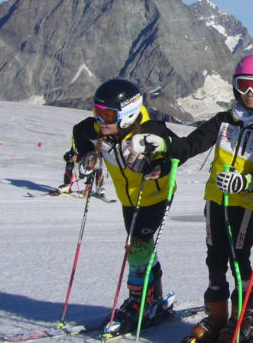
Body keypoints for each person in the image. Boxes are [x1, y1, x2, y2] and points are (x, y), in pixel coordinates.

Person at [130, 55, 253, 343]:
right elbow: (191, 145)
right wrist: (163, 143)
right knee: (215, 258)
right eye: (243, 85)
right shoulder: (224, 120)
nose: (249, 93)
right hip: (216, 200)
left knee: (238, 260)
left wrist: (247, 183)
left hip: (245, 206)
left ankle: (243, 317)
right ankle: (216, 316)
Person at [71, 78, 182, 333]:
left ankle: (138, 304)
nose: (101, 120)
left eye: (108, 115)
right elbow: (79, 132)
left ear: (128, 114)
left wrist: (155, 166)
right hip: (128, 199)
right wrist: (86, 154)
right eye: (97, 112)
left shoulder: (151, 131)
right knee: (144, 248)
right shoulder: (95, 130)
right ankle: (154, 300)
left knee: (138, 247)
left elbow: (176, 154)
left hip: (155, 196)